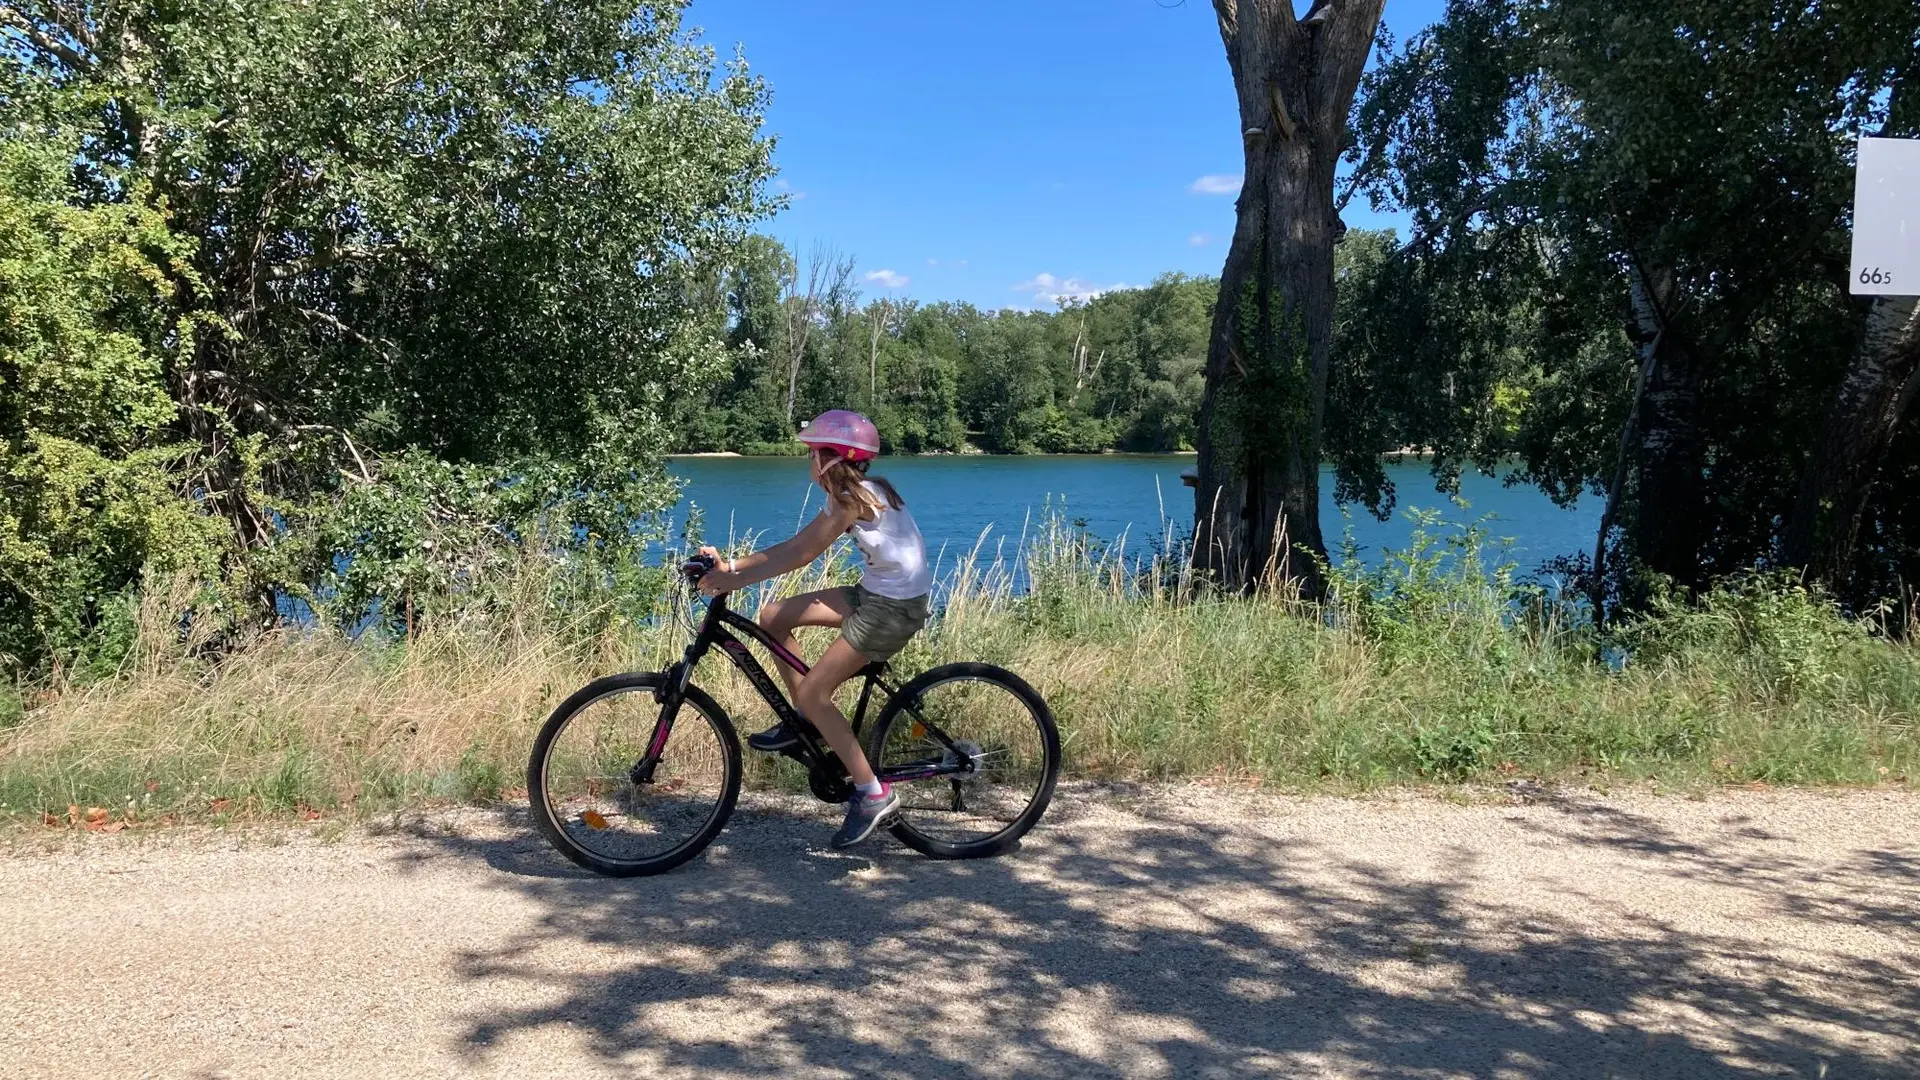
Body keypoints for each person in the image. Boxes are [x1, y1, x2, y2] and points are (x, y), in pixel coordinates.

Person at [695, 409, 932, 848]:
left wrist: (731, 576)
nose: (807, 462)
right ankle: (810, 719)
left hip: (891, 609)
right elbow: (795, 547)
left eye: (812, 454)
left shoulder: (851, 500)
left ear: (830, 460)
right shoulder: (860, 491)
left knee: (814, 691)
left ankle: (872, 792)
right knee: (773, 617)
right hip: (878, 594)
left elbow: (800, 552)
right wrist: (730, 568)